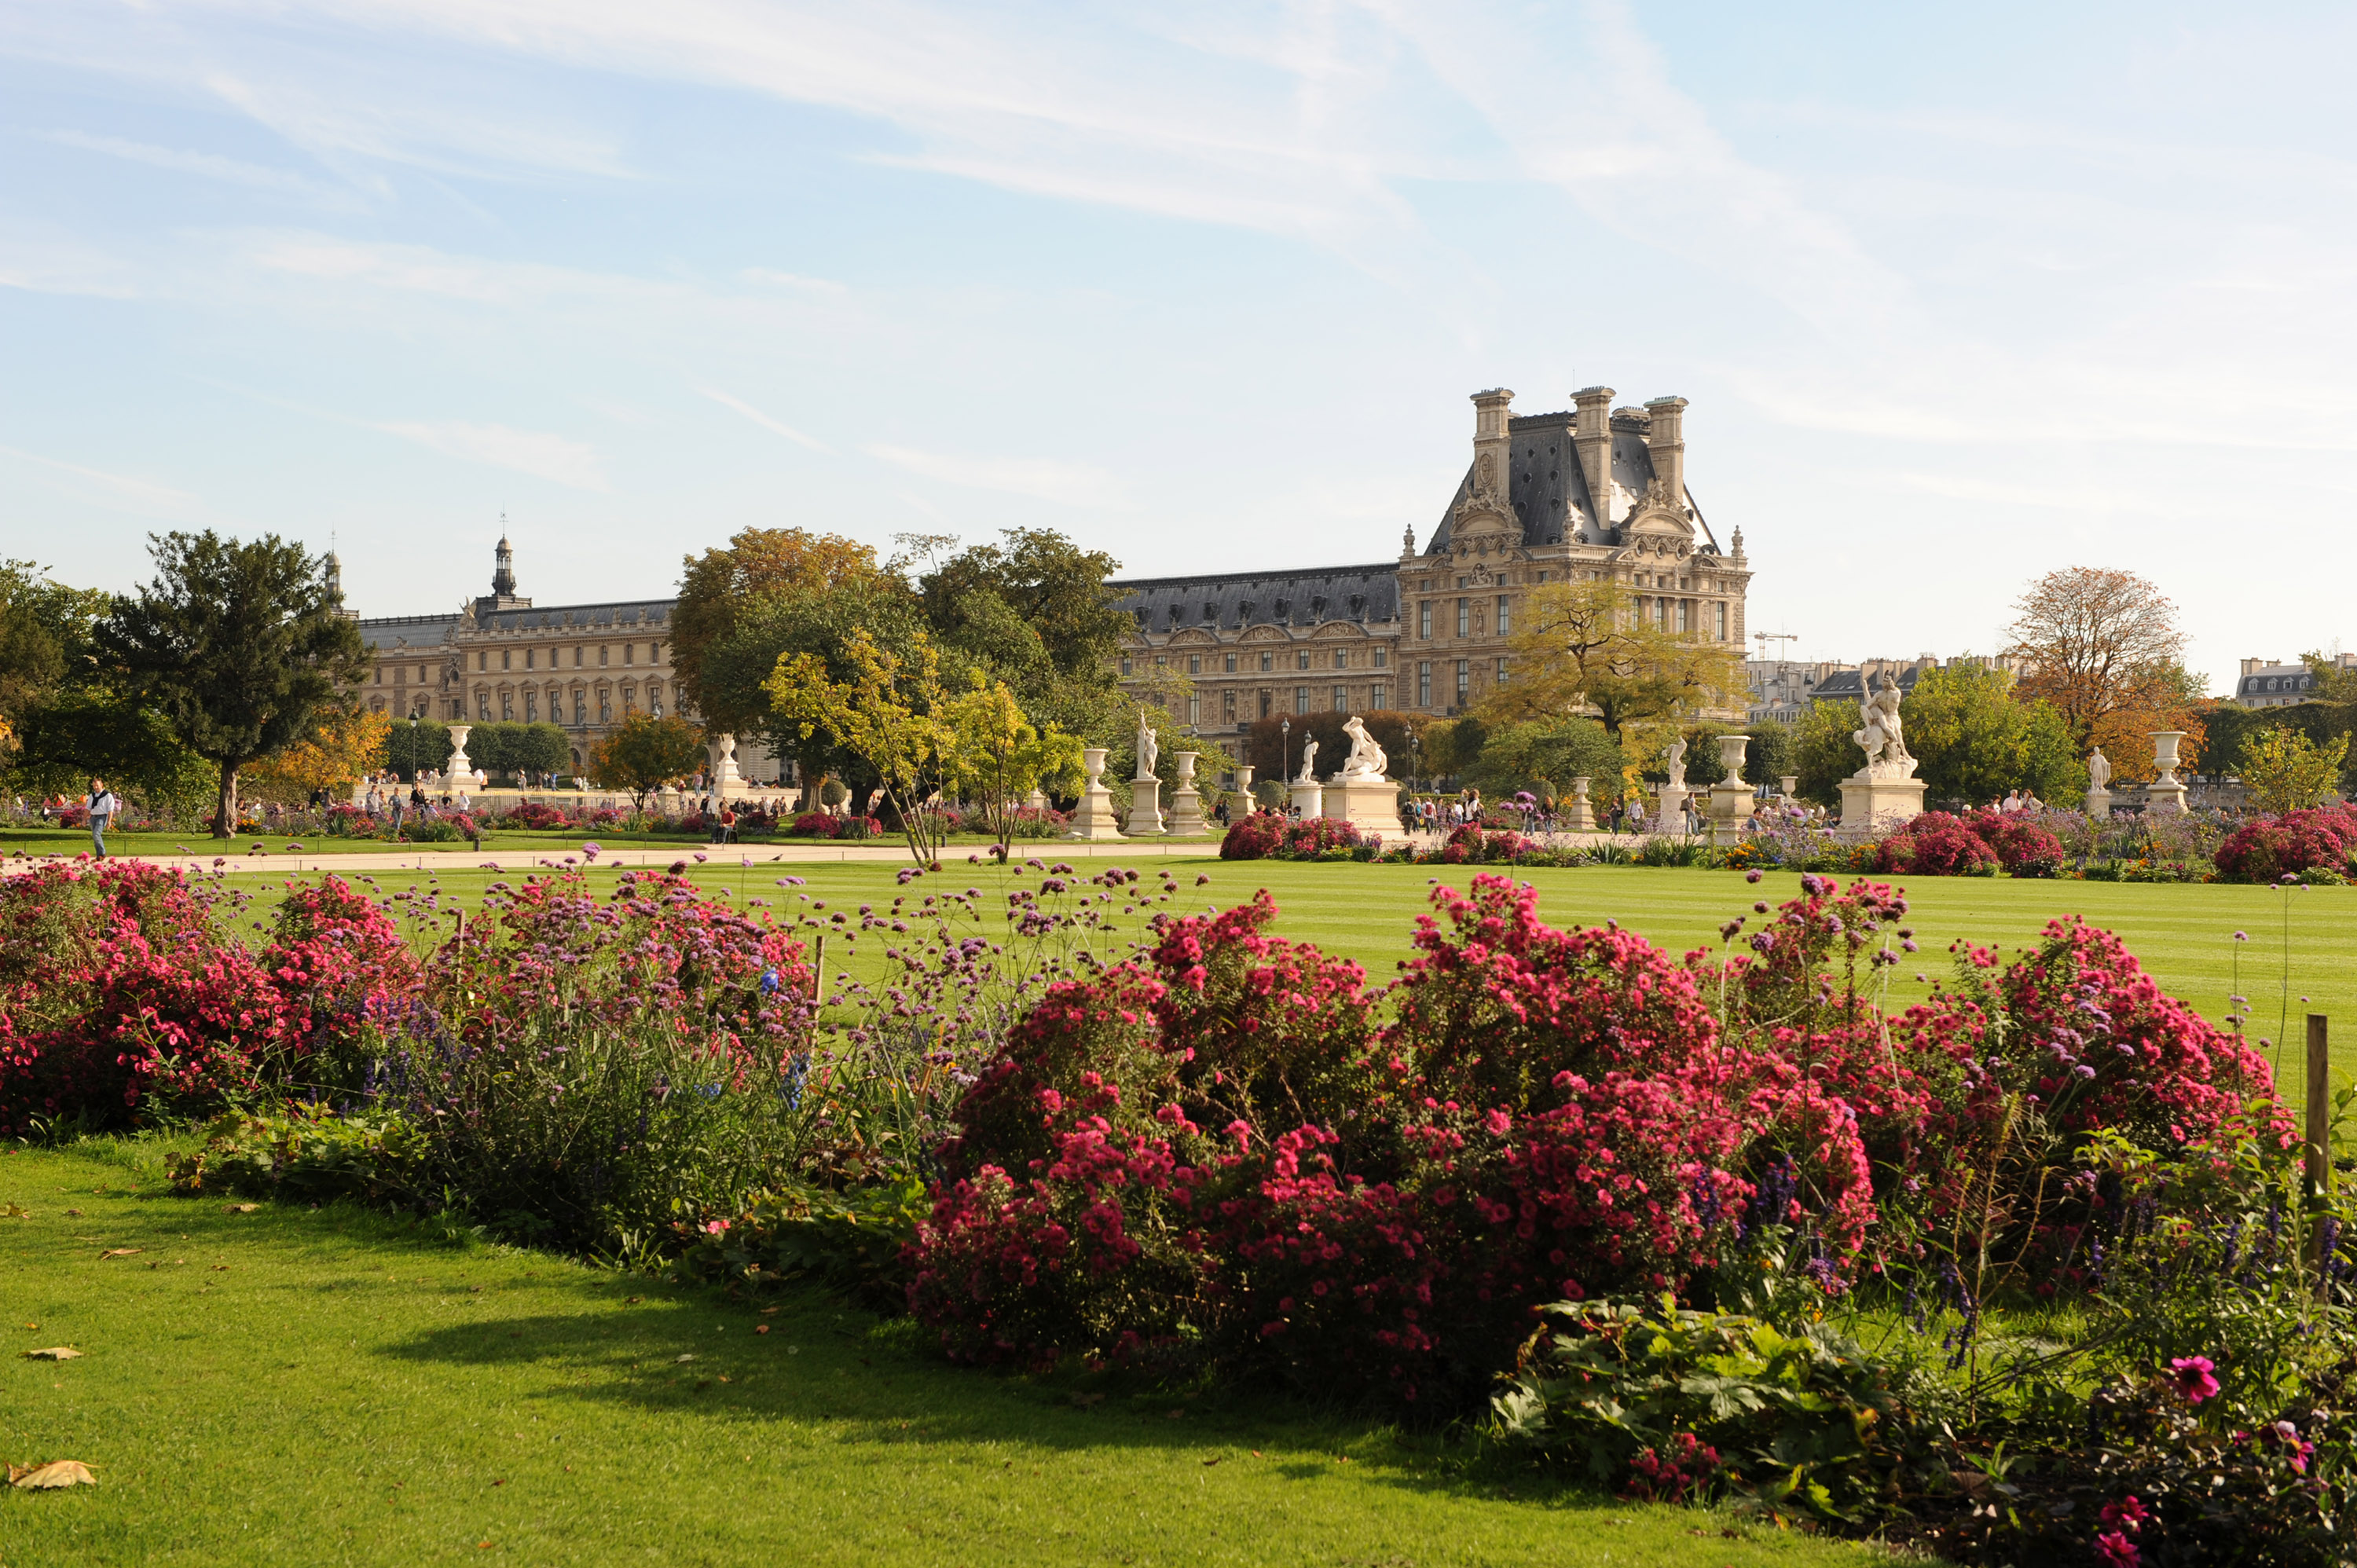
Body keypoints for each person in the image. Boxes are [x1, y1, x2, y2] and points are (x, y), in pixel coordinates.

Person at [85, 777, 117, 859]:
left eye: (97, 786)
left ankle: (103, 852)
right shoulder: (92, 796)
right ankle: (99, 856)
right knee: (95, 837)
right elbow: (88, 808)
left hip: (102, 817)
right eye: (94, 786)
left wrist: (109, 821)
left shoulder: (107, 795)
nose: (96, 787)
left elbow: (110, 810)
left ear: (101, 785)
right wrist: (84, 819)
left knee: (96, 834)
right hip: (93, 817)